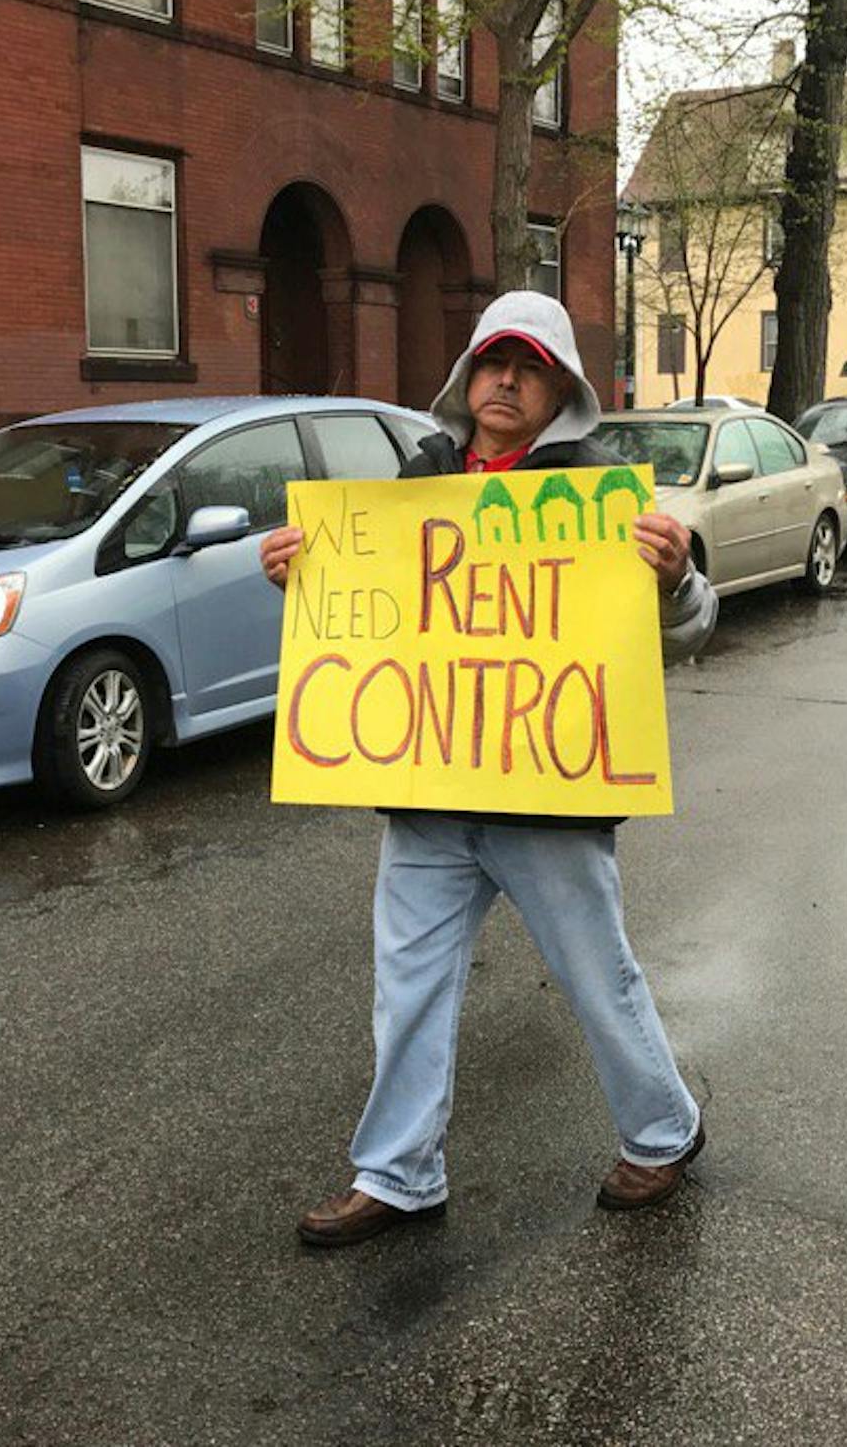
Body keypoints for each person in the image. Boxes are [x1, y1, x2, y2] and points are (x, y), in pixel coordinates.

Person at [260, 291, 716, 1245]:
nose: (505, 381)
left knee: (597, 974)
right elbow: (373, 614)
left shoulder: (601, 495)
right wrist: (301, 572)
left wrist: (674, 582)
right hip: (428, 793)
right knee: (409, 983)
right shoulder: (416, 480)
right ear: (468, 378)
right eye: (491, 363)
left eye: (530, 367)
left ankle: (664, 1129)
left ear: (561, 392)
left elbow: (691, 624)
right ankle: (396, 1172)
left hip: (547, 798)